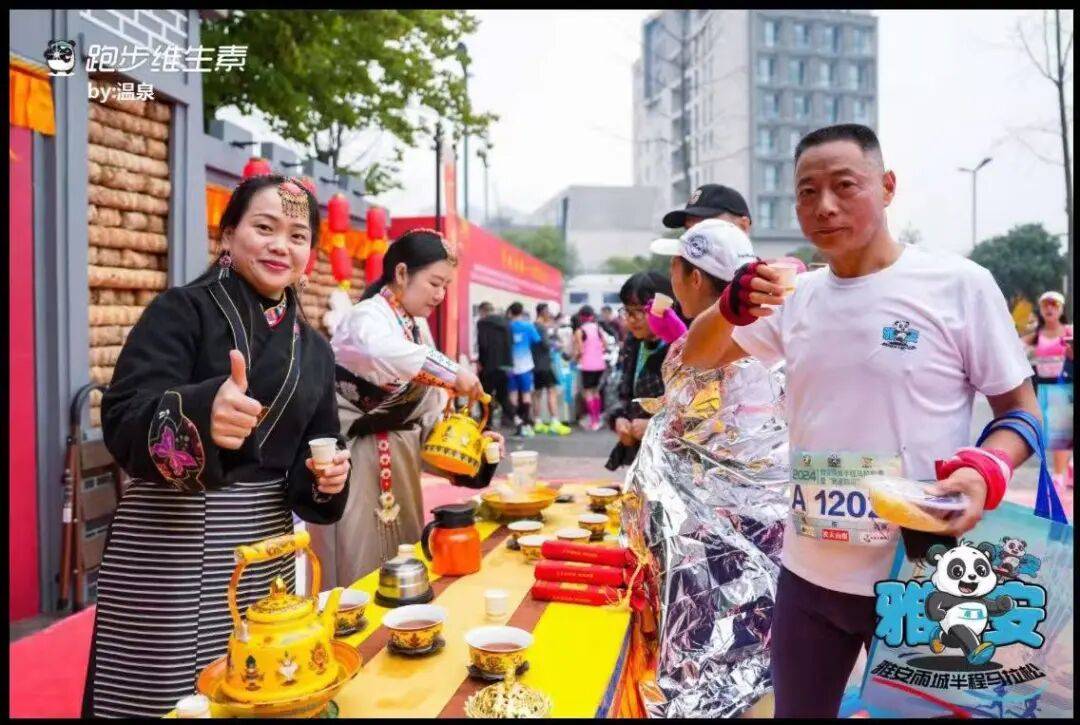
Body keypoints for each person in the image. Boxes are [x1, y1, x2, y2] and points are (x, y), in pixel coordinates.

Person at [683, 124, 1040, 717]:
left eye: (845, 185)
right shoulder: (794, 297)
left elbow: (1021, 412)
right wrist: (728, 307)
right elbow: (696, 358)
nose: (824, 206)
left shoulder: (959, 285)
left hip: (920, 576)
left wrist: (983, 471)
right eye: (807, 192)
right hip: (808, 577)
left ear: (887, 186)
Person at [84, 175, 351, 718]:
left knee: (258, 684)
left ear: (310, 255)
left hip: (265, 547)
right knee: (167, 695)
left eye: (297, 236)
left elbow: (315, 451)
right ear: (227, 234)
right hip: (170, 537)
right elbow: (122, 414)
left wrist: (326, 477)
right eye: (264, 228)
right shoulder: (181, 310)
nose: (281, 246)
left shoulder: (315, 351)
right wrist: (203, 414)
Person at [621, 218, 789, 717]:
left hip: (706, 547)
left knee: (703, 667)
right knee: (758, 662)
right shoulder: (772, 343)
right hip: (773, 532)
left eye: (674, 268)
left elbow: (684, 410)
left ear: (691, 276)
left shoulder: (707, 348)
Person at [310, 229, 505, 586]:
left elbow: (427, 412)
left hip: (401, 461)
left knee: (407, 566)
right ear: (401, 273)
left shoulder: (417, 328)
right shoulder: (366, 317)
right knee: (355, 568)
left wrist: (471, 448)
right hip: (352, 461)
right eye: (434, 283)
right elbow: (379, 350)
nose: (440, 295)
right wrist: (451, 372)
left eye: (445, 285)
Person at [605, 271, 678, 470]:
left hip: (672, 462)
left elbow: (696, 414)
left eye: (639, 310)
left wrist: (654, 427)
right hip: (641, 458)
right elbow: (623, 391)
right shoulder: (633, 343)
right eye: (627, 311)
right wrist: (619, 418)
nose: (631, 319)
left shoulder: (680, 347)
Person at [1021, 290, 1073, 486]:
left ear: (1061, 309)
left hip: (1064, 386)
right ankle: (1067, 468)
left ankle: (1059, 476)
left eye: (1054, 305)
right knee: (1051, 433)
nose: (1050, 308)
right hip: (1043, 388)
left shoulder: (1068, 332)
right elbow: (1014, 348)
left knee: (1060, 433)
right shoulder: (1036, 335)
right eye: (1046, 305)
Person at [532, 303, 571, 436]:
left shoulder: (533, 326)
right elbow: (546, 344)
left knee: (537, 394)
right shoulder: (542, 327)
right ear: (543, 312)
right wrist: (558, 345)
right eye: (548, 312)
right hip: (545, 364)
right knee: (551, 391)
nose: (549, 314)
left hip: (535, 364)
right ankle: (554, 422)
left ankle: (537, 422)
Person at [476, 300, 515, 429]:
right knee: (503, 394)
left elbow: (483, 344)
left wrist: (481, 362)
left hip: (489, 364)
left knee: (484, 393)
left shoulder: (483, 323)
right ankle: (514, 418)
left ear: (483, 311)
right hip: (505, 364)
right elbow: (511, 342)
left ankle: (487, 420)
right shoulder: (506, 322)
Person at [505, 301, 542, 437]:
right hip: (526, 365)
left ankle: (518, 424)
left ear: (510, 312)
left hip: (510, 366)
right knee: (526, 394)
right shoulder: (528, 326)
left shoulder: (507, 327)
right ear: (521, 312)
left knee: (513, 395)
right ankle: (526, 424)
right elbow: (537, 340)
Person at [574, 305, 608, 430]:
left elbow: (580, 350)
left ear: (581, 317)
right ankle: (598, 419)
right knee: (596, 391)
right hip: (600, 365)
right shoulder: (598, 328)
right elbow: (605, 344)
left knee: (588, 392)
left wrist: (576, 357)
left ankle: (593, 421)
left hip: (587, 366)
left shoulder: (579, 331)